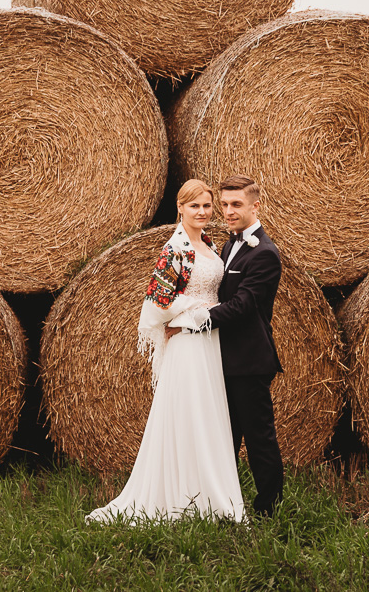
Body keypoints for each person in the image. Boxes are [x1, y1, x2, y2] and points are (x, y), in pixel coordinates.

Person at [86, 179, 244, 523]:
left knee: (207, 415)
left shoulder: (209, 245)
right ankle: (183, 497)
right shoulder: (177, 249)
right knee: (188, 415)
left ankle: (208, 497)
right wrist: (199, 308)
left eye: (206, 206)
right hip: (187, 344)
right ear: (180, 208)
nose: (201, 212)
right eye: (194, 206)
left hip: (208, 340)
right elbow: (157, 304)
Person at [177, 174, 284, 517]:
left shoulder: (265, 253)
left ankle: (270, 509)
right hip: (221, 359)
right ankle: (223, 505)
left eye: (236, 204)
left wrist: (191, 322)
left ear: (256, 206)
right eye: (224, 204)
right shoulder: (228, 245)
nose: (228, 211)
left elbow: (242, 305)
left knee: (258, 439)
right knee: (224, 439)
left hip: (249, 361)